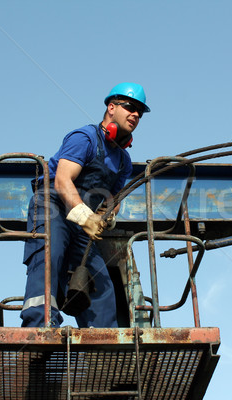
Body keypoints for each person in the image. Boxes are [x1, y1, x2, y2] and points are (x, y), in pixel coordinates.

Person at [20, 82, 150, 328]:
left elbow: (113, 199)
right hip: (53, 206)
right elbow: (62, 180)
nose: (135, 115)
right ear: (111, 108)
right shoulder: (84, 138)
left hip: (82, 223)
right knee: (51, 254)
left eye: (139, 113)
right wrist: (85, 217)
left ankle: (104, 343)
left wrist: (106, 217)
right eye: (130, 107)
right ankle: (39, 327)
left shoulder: (123, 161)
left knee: (99, 281)